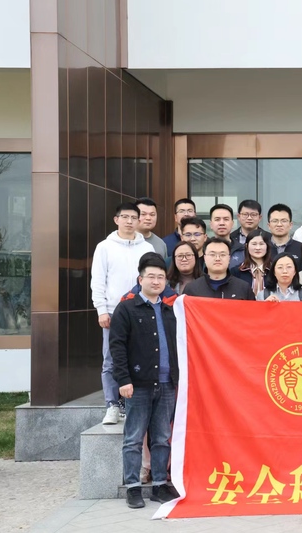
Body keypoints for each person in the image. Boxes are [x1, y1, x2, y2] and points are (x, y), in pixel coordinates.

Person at [109, 254, 180, 509]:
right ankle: (132, 487)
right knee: (133, 438)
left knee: (162, 437)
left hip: (167, 384)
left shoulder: (170, 310)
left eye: (161, 277)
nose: (156, 281)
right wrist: (123, 379)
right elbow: (117, 347)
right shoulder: (126, 308)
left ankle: (160, 484)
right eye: (151, 276)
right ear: (140, 280)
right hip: (137, 385)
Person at [91, 202, 155, 425]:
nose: (129, 221)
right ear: (116, 219)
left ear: (139, 221)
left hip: (142, 311)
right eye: (125, 217)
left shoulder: (147, 248)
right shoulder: (104, 247)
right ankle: (112, 404)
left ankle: (130, 404)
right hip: (113, 312)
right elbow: (98, 281)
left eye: (133, 217)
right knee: (111, 359)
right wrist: (101, 310)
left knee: (138, 357)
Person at [183, 238, 256, 300]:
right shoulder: (192, 289)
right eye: (212, 254)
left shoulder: (243, 288)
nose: (217, 258)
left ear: (229, 258)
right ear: (205, 258)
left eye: (222, 255)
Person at [230, 229, 272, 294]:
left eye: (261, 244)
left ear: (267, 246)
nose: (258, 248)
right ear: (246, 246)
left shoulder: (274, 271)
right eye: (254, 244)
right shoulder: (236, 271)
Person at [267, 204, 302, 268]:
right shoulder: (262, 248)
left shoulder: (301, 248)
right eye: (275, 221)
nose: (279, 224)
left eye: (284, 221)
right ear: (269, 225)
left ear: (291, 225)